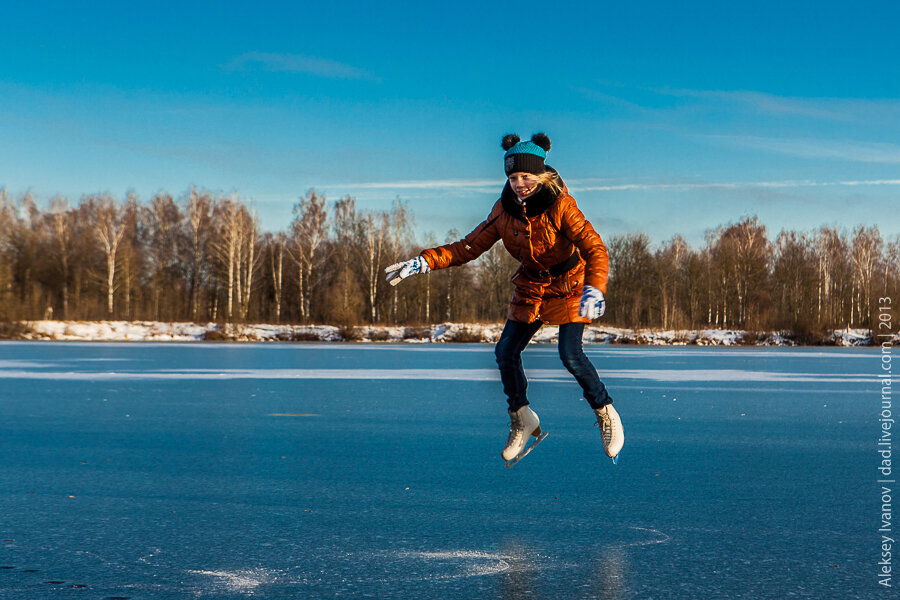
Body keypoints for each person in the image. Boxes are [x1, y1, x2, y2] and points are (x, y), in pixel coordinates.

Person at [385, 133, 624, 466]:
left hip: (570, 283)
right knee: (505, 352)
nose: (519, 183)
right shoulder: (504, 210)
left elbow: (594, 248)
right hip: (531, 286)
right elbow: (468, 247)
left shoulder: (561, 205)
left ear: (541, 175)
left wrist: (595, 287)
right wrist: (425, 261)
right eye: (513, 177)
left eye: (526, 176)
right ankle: (522, 418)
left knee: (570, 354)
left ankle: (605, 412)